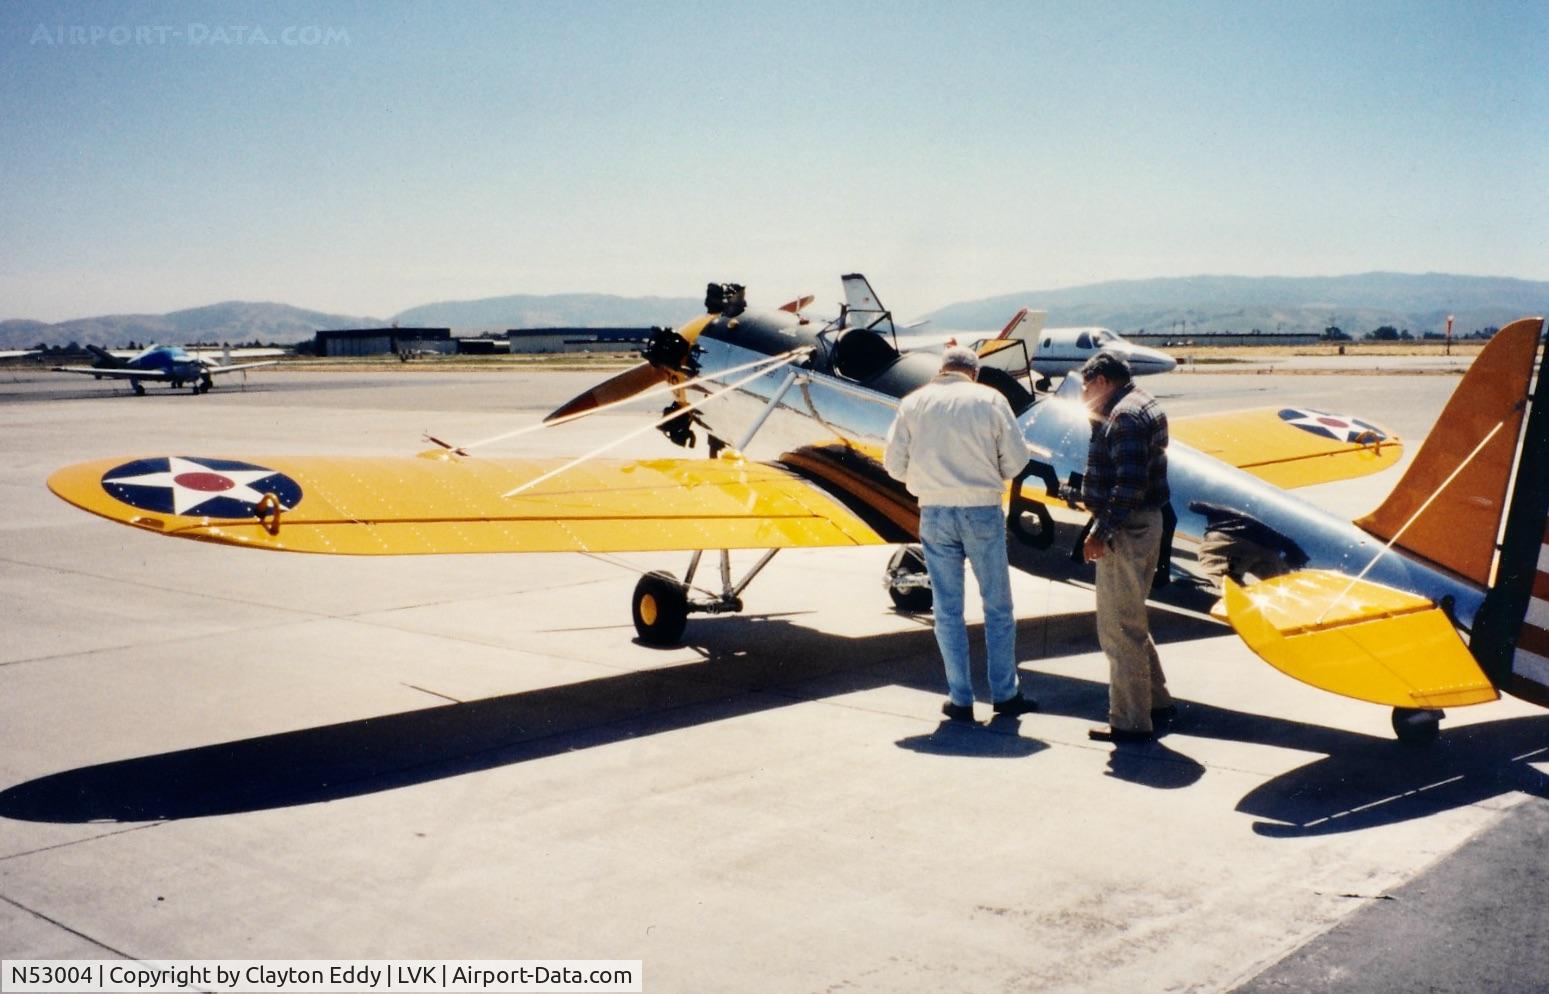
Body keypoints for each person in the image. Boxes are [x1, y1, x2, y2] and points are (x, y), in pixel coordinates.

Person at [884, 346, 1037, 722]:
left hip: (934, 512)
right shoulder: (990, 399)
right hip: (982, 511)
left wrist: (930, 482)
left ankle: (960, 698)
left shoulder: (913, 402)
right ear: (974, 371)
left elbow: (893, 465)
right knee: (998, 607)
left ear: (943, 369)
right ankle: (1004, 693)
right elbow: (1017, 461)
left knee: (947, 610)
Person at [1079, 351, 1175, 743]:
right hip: (1143, 522)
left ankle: (1130, 721)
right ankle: (1154, 701)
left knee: (1117, 628)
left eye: (1087, 386)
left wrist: (1099, 531)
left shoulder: (1125, 416)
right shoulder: (1140, 403)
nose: (1084, 393)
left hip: (1127, 527)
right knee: (1130, 620)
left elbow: (1128, 487)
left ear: (1102, 380)